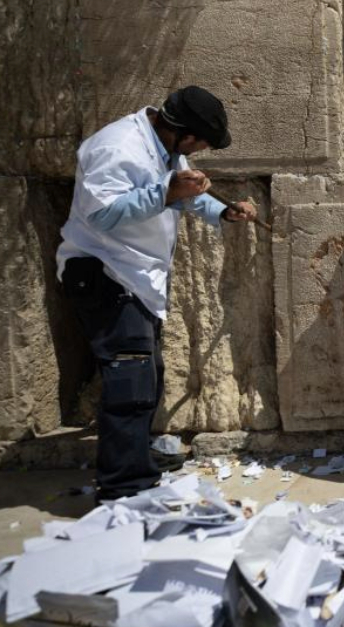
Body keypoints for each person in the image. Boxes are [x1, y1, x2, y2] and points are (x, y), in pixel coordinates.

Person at [57, 86, 258, 501]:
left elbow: (186, 196)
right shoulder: (116, 147)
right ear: (183, 133)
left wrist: (222, 211)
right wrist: (167, 192)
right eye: (200, 142)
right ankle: (123, 487)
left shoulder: (166, 147)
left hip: (136, 278)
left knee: (148, 376)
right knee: (130, 382)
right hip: (105, 273)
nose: (199, 151)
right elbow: (103, 213)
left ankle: (135, 457)